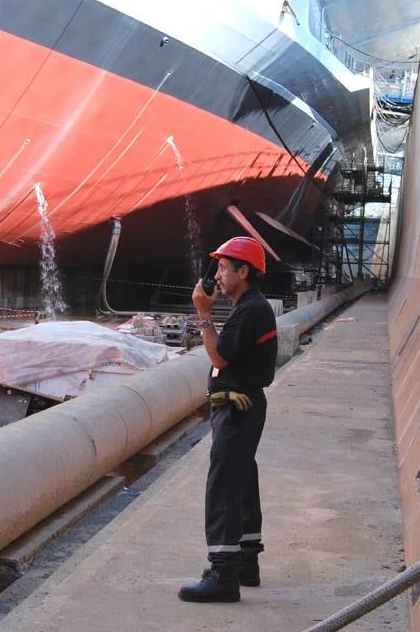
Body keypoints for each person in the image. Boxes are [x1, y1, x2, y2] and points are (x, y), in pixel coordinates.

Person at [178, 236, 278, 603]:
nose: (217, 275)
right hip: (241, 408)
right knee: (242, 482)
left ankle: (222, 575)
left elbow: (219, 358)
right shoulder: (250, 307)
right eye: (217, 267)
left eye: (223, 268)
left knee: (223, 488)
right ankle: (245, 563)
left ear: (243, 271)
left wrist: (203, 313)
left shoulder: (252, 309)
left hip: (237, 410)